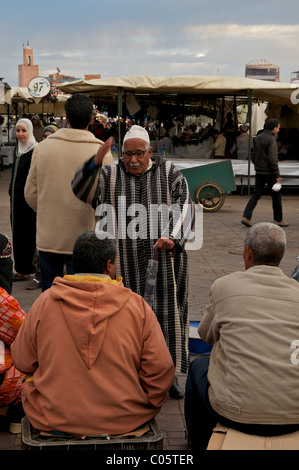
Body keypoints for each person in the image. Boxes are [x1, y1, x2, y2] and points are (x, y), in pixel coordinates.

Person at [11, 231, 174, 436]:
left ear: (76, 263)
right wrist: (147, 402)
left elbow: (22, 360)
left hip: (53, 418)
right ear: (109, 266)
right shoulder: (137, 307)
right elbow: (161, 370)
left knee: (28, 381)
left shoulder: (45, 302)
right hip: (127, 419)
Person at [72, 125, 194, 399]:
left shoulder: (170, 173)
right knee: (123, 322)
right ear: (120, 154)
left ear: (151, 151)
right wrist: (93, 162)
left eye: (140, 154)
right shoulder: (108, 174)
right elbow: (80, 190)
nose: (134, 160)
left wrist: (171, 236)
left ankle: (169, 375)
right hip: (122, 262)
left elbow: (185, 204)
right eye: (127, 154)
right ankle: (127, 375)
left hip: (163, 262)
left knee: (166, 318)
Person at [184, 222, 299, 450]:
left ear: (248, 253)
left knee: (199, 366)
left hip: (235, 414)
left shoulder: (224, 286)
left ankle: (198, 440)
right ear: (282, 256)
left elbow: (205, 335)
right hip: (294, 415)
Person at [24, 94, 113, 292]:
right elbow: (105, 201)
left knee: (50, 294)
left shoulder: (44, 147)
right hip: (86, 240)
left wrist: (48, 209)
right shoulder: (101, 152)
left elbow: (30, 193)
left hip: (49, 236)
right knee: (80, 298)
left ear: (66, 118)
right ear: (91, 119)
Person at [8, 118, 41, 288]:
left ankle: (34, 270)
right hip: (15, 202)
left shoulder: (35, 150)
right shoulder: (16, 150)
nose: (20, 134)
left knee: (30, 235)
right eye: (18, 130)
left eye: (24, 131)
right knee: (18, 235)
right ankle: (21, 270)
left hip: (29, 202)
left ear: (30, 132)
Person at [0, 234, 26, 434]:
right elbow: (28, 336)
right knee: (35, 359)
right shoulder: (2, 301)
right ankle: (17, 415)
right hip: (4, 384)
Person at [241, 119, 288, 228]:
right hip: (269, 172)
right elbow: (272, 158)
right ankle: (278, 219)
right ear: (274, 128)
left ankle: (246, 216)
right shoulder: (271, 139)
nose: (279, 130)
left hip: (259, 171)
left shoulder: (258, 138)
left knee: (256, 194)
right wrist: (277, 174)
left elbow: (253, 155)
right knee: (276, 196)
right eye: (278, 128)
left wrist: (257, 165)